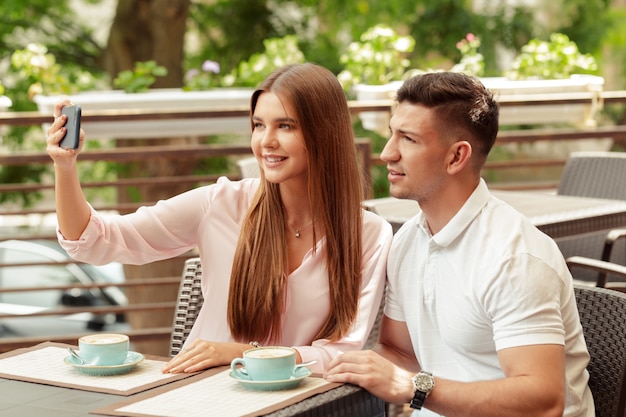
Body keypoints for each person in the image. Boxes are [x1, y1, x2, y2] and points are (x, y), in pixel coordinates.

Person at [45, 63, 393, 374]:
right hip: (202, 395)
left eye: (285, 126)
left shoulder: (368, 234)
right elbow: (93, 239)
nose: (266, 141)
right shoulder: (221, 203)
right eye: (258, 125)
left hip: (301, 406)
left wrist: (243, 353)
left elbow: (343, 352)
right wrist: (65, 166)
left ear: (324, 134)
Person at [324, 72, 595, 416]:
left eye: (408, 139)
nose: (386, 153)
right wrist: (320, 366)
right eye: (392, 134)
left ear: (456, 157)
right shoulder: (409, 239)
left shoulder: (514, 259)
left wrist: (414, 388)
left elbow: (543, 402)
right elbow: (400, 353)